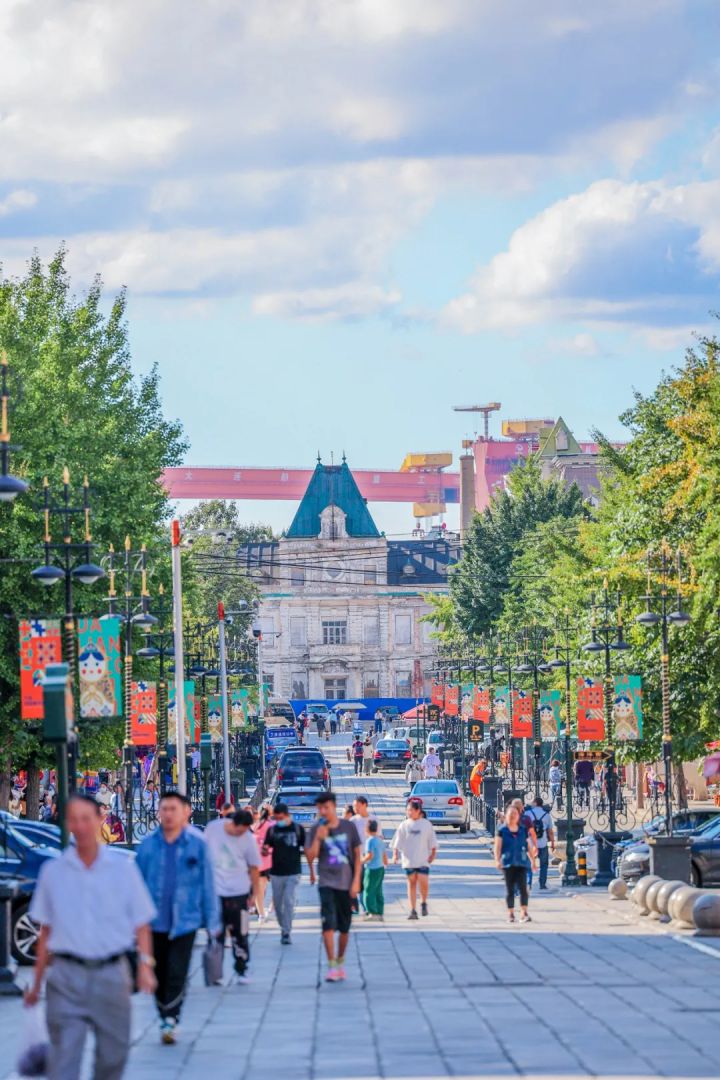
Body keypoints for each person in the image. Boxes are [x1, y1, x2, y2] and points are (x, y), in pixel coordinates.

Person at [25, 794, 157, 1079]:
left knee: (113, 1055)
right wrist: (36, 984)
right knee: (64, 1058)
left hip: (112, 974)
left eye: (86, 819)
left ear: (100, 820)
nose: (80, 826)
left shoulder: (122, 869)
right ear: (67, 824)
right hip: (66, 976)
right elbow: (44, 931)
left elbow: (141, 922)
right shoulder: (53, 872)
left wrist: (145, 965)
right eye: (74, 819)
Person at [136, 791, 220, 1044]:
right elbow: (136, 885)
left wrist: (213, 922)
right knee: (159, 970)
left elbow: (208, 885)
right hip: (154, 921)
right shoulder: (148, 846)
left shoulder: (197, 844)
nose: (168, 814)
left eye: (174, 809)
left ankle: (171, 1017)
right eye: (164, 809)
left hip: (186, 919)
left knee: (177, 970)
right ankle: (164, 1013)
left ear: (186, 812)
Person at [305, 791, 362, 982]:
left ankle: (340, 959)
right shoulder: (316, 829)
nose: (322, 811)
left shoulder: (348, 827)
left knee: (344, 928)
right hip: (326, 883)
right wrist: (318, 838)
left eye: (326, 808)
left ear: (334, 807)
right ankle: (331, 965)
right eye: (319, 808)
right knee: (327, 924)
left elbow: (357, 856)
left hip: (346, 883)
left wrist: (356, 882)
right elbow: (310, 857)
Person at [204, 808, 260, 983]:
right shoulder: (213, 829)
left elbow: (254, 868)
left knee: (240, 933)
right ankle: (214, 973)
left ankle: (242, 968)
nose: (241, 834)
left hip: (239, 893)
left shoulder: (248, 839)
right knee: (215, 933)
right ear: (234, 823)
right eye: (240, 830)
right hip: (215, 892)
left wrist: (255, 893)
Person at [263, 801, 306, 944]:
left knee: (288, 900)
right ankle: (283, 926)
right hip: (276, 872)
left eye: (280, 818)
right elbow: (266, 846)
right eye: (276, 818)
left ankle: (286, 931)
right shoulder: (273, 830)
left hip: (293, 871)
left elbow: (306, 847)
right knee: (278, 903)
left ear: (287, 816)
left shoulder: (297, 829)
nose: (278, 821)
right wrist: (263, 851)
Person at [391, 798, 437, 920]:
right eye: (407, 810)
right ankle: (412, 910)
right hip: (409, 859)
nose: (409, 812)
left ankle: (423, 902)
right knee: (411, 883)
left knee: (423, 882)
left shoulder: (426, 824)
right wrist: (395, 854)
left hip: (423, 859)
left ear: (418, 811)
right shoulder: (404, 825)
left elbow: (432, 842)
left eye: (411, 810)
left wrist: (433, 854)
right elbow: (397, 842)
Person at [494, 804, 537, 923]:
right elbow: (497, 847)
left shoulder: (523, 830)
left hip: (522, 862)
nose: (512, 816)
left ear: (518, 816)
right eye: (510, 814)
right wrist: (497, 860)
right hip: (508, 863)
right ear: (506, 816)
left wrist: (533, 861)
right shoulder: (502, 831)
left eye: (515, 814)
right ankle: (511, 913)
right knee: (510, 889)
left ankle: (524, 912)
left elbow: (528, 846)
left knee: (524, 888)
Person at [526, 796, 555, 890]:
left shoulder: (528, 814)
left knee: (529, 863)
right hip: (542, 843)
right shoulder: (546, 815)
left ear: (535, 803)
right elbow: (550, 831)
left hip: (530, 844)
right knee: (544, 864)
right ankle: (542, 883)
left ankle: (528, 883)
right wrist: (553, 844)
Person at [362, 819, 387, 920]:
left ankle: (372, 912)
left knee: (368, 890)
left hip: (372, 868)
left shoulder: (370, 841)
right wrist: (385, 863)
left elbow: (369, 855)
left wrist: (361, 861)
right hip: (381, 868)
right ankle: (380, 912)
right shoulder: (380, 840)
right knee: (378, 890)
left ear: (367, 829)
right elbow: (384, 855)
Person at [252, 803, 273, 921]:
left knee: (259, 888)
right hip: (269, 860)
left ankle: (261, 914)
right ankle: (269, 908)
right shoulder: (271, 825)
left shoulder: (255, 826)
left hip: (256, 861)